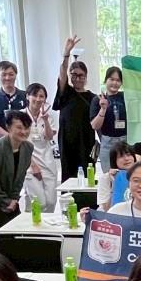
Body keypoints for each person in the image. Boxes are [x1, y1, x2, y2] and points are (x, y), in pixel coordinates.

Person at [55, 36, 96, 179]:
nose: (78, 78)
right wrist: (66, 54)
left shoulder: (93, 98)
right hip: (67, 142)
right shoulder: (66, 93)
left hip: (86, 141)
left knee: (88, 175)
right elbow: (62, 73)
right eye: (74, 75)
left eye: (81, 75)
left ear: (86, 76)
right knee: (69, 176)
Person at [23, 82, 59, 213]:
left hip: (48, 162)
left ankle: (45, 226)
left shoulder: (48, 116)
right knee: (39, 203)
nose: (38, 99)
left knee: (51, 202)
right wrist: (32, 165)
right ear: (27, 96)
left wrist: (45, 120)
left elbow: (49, 137)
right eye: (35, 95)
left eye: (41, 96)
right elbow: (19, 144)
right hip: (29, 164)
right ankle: (31, 224)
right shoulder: (20, 116)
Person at [90, 66, 128, 171]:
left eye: (118, 80)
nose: (115, 83)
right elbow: (94, 126)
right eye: (111, 79)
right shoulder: (98, 99)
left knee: (125, 176)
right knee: (109, 175)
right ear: (106, 80)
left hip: (125, 142)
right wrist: (103, 109)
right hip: (107, 143)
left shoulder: (126, 97)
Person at [0, 60, 26, 139]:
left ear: (16, 75)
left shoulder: (25, 96)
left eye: (11, 74)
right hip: (2, 142)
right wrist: (10, 138)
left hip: (24, 140)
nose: (7, 78)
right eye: (4, 75)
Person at [98, 142, 137, 211]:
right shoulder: (106, 178)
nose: (126, 159)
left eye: (129, 155)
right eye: (121, 156)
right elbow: (106, 209)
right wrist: (114, 184)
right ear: (114, 160)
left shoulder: (140, 176)